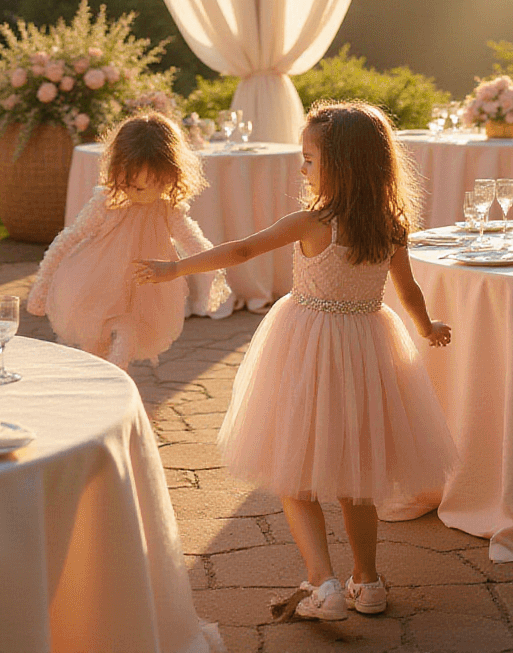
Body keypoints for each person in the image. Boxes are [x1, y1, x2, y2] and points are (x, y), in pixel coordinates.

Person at [135, 102, 457, 621]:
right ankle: (368, 581)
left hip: (307, 345)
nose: (301, 167)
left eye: (309, 159)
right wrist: (426, 327)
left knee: (295, 474)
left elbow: (242, 251)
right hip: (366, 346)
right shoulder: (389, 225)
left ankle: (323, 583)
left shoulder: (311, 222)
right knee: (357, 478)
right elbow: (409, 289)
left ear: (341, 166)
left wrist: (175, 269)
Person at [28, 112, 226, 368]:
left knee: (126, 335)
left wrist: (214, 267)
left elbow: (190, 238)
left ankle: (114, 378)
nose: (130, 191)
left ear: (166, 178)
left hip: (144, 292)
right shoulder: (108, 203)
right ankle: (100, 382)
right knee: (94, 347)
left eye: (140, 187)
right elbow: (69, 238)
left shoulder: (167, 209)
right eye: (124, 183)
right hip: (97, 283)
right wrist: (42, 286)